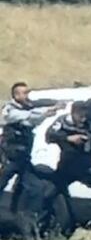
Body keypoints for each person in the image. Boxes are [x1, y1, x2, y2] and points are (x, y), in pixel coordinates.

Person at [38, 100, 91, 240]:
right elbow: (49, 136)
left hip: (86, 168)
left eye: (85, 114)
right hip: (66, 167)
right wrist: (68, 138)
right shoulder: (62, 122)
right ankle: (40, 226)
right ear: (73, 113)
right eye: (80, 114)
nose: (83, 117)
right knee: (49, 195)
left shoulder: (90, 125)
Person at [0, 82, 64, 214]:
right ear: (16, 95)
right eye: (24, 93)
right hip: (11, 156)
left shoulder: (28, 108)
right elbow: (24, 117)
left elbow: (33, 120)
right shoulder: (9, 109)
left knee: (34, 188)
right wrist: (47, 110)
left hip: (23, 157)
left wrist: (51, 111)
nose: (27, 96)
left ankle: (23, 216)